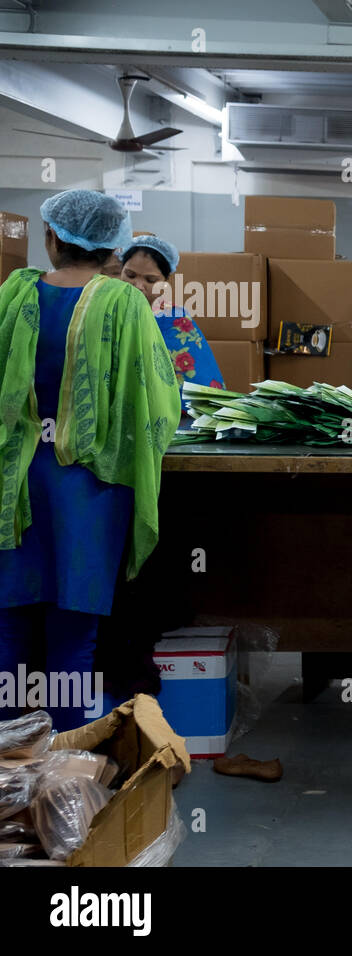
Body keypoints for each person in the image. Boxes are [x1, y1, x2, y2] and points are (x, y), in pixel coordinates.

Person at [0, 189, 181, 731]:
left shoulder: (13, 294)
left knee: (9, 629)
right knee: (75, 635)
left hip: (15, 483)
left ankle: (9, 773)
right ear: (109, 247)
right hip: (87, 489)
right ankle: (66, 778)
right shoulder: (123, 304)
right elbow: (156, 401)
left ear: (51, 239)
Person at [119, 235, 225, 414]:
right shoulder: (106, 312)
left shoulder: (175, 321)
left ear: (165, 282)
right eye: (130, 275)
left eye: (150, 280)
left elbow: (201, 390)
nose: (138, 286)